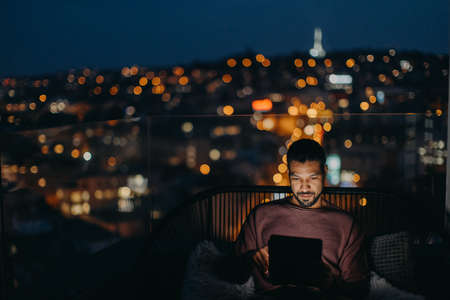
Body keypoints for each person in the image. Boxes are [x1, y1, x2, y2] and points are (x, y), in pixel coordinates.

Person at [234, 139, 369, 299]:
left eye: (312, 178)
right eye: (297, 178)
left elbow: (359, 292)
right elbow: (232, 273)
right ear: (289, 175)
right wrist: (251, 258)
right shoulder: (261, 215)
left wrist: (331, 284)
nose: (304, 187)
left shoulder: (346, 225)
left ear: (325, 172)